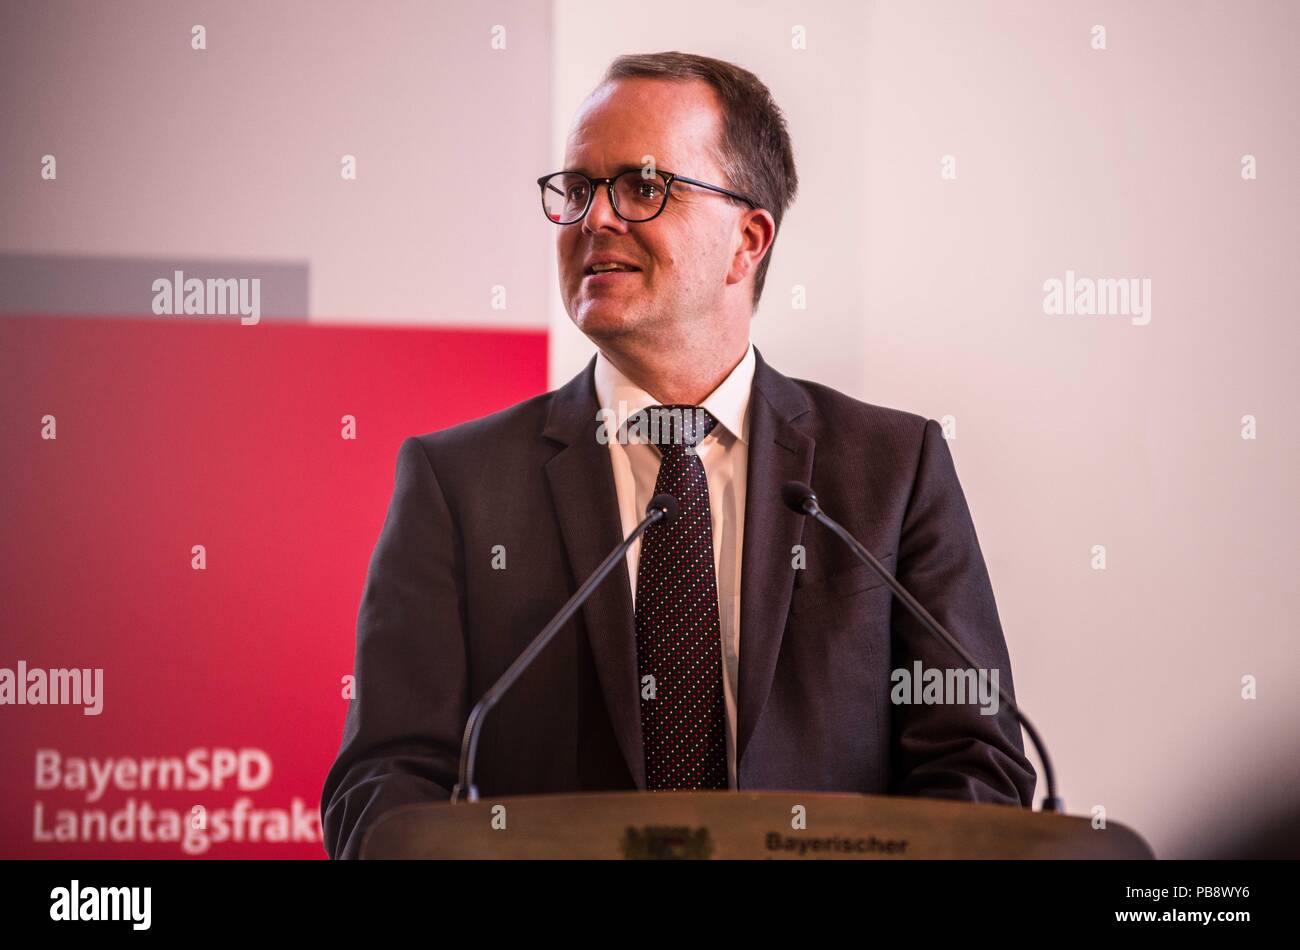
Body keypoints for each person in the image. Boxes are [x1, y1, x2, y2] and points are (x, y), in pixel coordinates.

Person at [321, 51, 1035, 860]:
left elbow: (977, 763)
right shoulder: (458, 486)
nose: (595, 219)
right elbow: (383, 788)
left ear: (748, 239)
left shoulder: (891, 472)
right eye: (579, 189)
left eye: (642, 186)